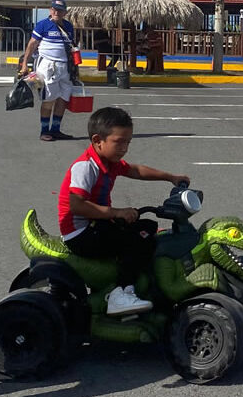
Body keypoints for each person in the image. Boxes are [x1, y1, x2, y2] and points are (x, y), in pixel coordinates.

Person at [60, 107, 190, 315]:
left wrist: (170, 177)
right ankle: (120, 294)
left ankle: (141, 286)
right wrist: (116, 212)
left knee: (148, 226)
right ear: (97, 140)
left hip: (97, 224)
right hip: (80, 233)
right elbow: (76, 204)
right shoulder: (85, 167)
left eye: (128, 142)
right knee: (138, 240)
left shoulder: (109, 162)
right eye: (119, 142)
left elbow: (135, 170)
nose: (124, 148)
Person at [18, 0, 79, 142]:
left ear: (65, 12)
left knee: (63, 99)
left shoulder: (69, 26)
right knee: (48, 99)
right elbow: (32, 44)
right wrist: (24, 63)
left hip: (65, 67)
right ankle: (44, 131)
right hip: (48, 67)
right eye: (54, 9)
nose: (56, 12)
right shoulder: (42, 25)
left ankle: (56, 129)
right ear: (50, 10)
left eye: (60, 10)